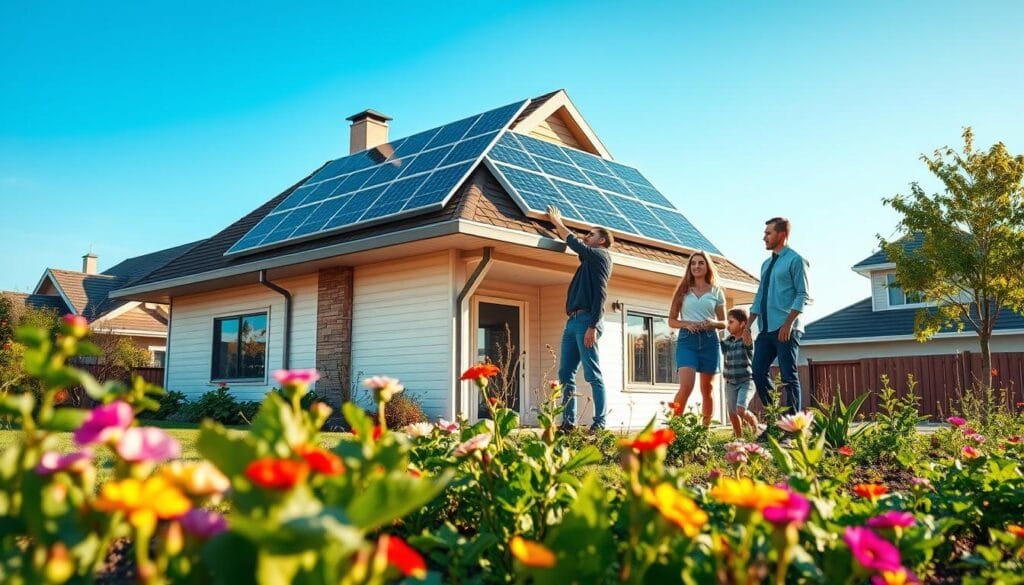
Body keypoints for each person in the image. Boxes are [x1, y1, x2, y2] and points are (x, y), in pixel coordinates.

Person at [546, 205, 614, 433]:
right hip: (573, 321)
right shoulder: (588, 261)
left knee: (592, 374)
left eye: (591, 234)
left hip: (587, 321)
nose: (586, 236)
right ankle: (569, 422)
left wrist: (557, 222)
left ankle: (599, 423)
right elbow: (575, 246)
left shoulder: (601, 256)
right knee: (566, 373)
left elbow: (602, 294)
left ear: (603, 240)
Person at [743, 217, 811, 429]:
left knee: (789, 376)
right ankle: (778, 421)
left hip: (786, 328)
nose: (764, 237)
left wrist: (788, 323)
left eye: (768, 233)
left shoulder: (796, 260)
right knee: (758, 372)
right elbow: (760, 295)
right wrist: (747, 326)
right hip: (766, 328)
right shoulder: (766, 264)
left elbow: (802, 294)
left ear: (781, 235)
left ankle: (794, 428)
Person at [668, 251, 726, 427]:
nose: (697, 266)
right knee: (686, 386)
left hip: (710, 340)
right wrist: (686, 324)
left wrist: (713, 323)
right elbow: (671, 320)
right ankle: (675, 429)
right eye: (693, 264)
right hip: (687, 341)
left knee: (707, 389)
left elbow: (724, 322)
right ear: (689, 267)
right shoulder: (682, 291)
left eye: (701, 263)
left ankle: (704, 432)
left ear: (707, 266)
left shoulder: (717, 291)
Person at [721, 307, 759, 438]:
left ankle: (756, 431)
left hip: (746, 381)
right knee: (732, 413)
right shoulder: (727, 342)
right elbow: (717, 342)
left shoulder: (746, 339)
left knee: (741, 410)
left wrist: (747, 329)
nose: (728, 325)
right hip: (730, 382)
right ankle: (739, 437)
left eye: (731, 322)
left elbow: (748, 343)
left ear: (742, 323)